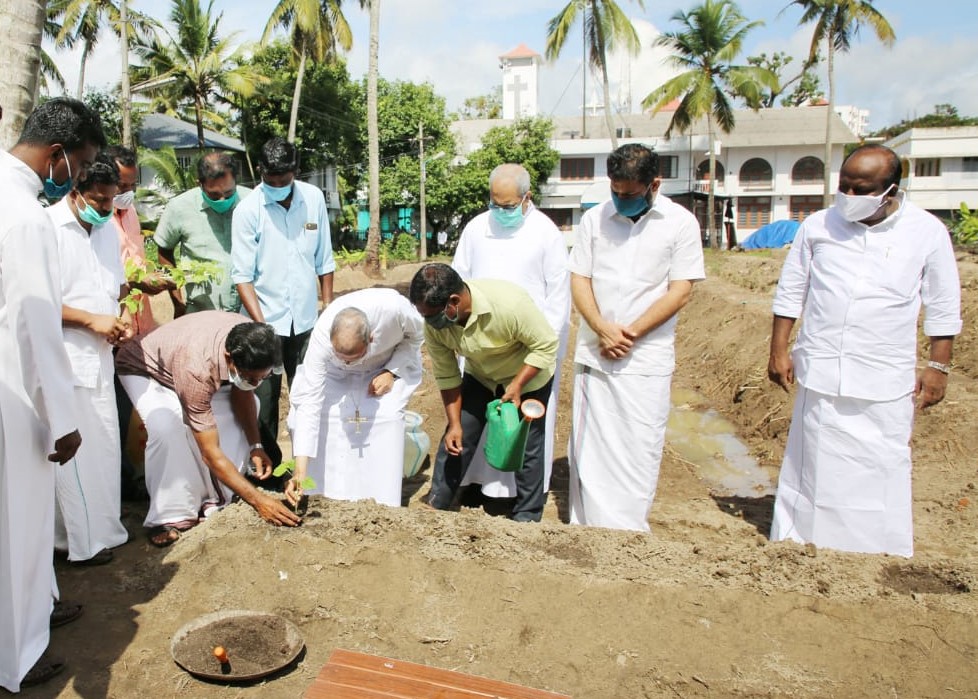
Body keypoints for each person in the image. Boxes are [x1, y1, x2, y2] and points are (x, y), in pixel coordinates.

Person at [768, 144, 962, 557]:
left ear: (891, 190)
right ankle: (801, 543)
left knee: (880, 465)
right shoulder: (818, 226)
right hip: (821, 367)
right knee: (814, 464)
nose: (850, 198)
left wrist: (937, 367)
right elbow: (791, 292)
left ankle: (877, 552)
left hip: (883, 376)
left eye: (862, 189)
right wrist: (779, 350)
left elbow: (943, 305)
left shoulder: (927, 232)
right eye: (845, 187)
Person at [0, 97, 102, 692]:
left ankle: (38, 606)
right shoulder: (25, 215)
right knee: (21, 524)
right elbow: (34, 325)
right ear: (58, 155)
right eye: (81, 163)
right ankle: (19, 653)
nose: (78, 176)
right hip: (15, 391)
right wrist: (61, 417)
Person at [567, 143, 705, 532]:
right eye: (615, 191)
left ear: (654, 184)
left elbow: (680, 290)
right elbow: (580, 278)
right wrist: (601, 328)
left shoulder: (679, 224)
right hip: (596, 352)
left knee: (638, 445)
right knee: (590, 447)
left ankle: (628, 530)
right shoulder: (595, 220)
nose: (620, 198)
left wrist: (630, 334)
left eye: (629, 193)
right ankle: (588, 526)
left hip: (645, 356)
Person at [115, 312, 301, 547]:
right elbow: (209, 452)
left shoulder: (253, 343)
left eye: (260, 379)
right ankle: (171, 514)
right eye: (249, 378)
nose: (255, 383)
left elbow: (243, 395)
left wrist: (256, 446)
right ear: (228, 358)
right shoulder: (196, 368)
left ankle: (216, 496)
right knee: (168, 429)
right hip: (145, 369)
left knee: (252, 404)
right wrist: (258, 501)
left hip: (182, 360)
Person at [452, 163, 570, 502]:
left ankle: (523, 498)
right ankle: (475, 484)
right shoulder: (476, 229)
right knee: (481, 419)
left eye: (507, 205)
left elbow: (558, 297)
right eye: (494, 203)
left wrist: (540, 352)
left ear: (526, 198)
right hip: (483, 346)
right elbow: (460, 281)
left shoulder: (546, 233)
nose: (500, 211)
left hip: (528, 348)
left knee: (522, 425)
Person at [410, 263, 558, 522]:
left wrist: (517, 386)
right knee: (457, 436)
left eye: (433, 316)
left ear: (453, 302)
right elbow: (447, 375)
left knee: (525, 443)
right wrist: (454, 423)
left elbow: (546, 346)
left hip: (528, 376)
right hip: (481, 376)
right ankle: (438, 503)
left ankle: (527, 515)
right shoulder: (435, 326)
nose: (430, 323)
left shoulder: (509, 305)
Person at [231, 137, 336, 467]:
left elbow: (324, 259)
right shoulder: (248, 211)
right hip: (266, 322)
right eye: (270, 181)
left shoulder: (313, 199)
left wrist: (328, 310)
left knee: (310, 394)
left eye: (284, 180)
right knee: (265, 400)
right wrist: (261, 325)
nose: (277, 186)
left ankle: (314, 467)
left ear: (296, 171)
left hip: (306, 322)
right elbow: (242, 276)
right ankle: (269, 467)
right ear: (260, 172)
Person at [50, 153, 132, 566]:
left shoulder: (103, 232)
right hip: (64, 359)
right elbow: (31, 301)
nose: (105, 209)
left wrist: (119, 319)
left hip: (101, 358)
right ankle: (79, 544)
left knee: (102, 450)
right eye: (99, 201)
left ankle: (102, 529)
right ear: (76, 191)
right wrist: (90, 321)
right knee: (73, 456)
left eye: (111, 201)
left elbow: (114, 288)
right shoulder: (47, 229)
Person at [285, 288, 424, 508]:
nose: (349, 362)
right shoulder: (321, 338)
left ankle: (382, 500)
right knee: (320, 415)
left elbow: (416, 337)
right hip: (335, 373)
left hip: (383, 365)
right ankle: (322, 492)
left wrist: (392, 371)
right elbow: (310, 400)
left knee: (387, 417)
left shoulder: (396, 311)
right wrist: (300, 470)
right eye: (343, 356)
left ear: (371, 338)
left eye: (353, 357)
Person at [154, 151, 251, 317]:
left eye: (228, 193)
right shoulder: (179, 207)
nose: (222, 200)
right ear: (200, 184)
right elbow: (164, 250)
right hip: (201, 314)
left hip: (248, 312)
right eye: (213, 195)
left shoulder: (252, 202)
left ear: (236, 180)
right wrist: (177, 302)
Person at [106, 145, 172, 334]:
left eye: (132, 185)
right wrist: (134, 281)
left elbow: (136, 258)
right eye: (122, 185)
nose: (128, 192)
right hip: (114, 322)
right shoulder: (98, 221)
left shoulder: (131, 211)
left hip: (141, 319)